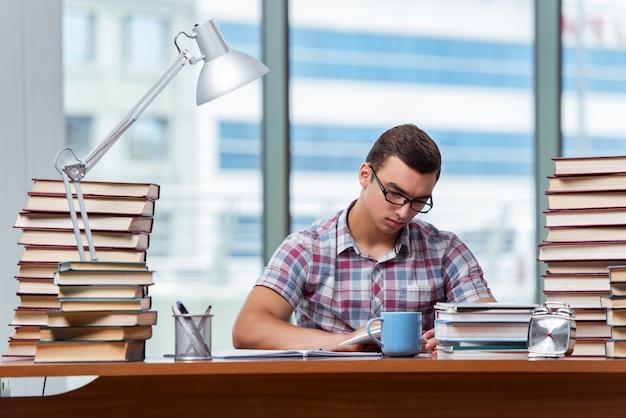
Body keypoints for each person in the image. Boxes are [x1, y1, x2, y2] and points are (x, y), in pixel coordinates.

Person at [232, 123, 496, 352]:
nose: (404, 212)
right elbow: (248, 329)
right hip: (325, 397)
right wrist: (344, 341)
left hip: (419, 398)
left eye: (418, 202)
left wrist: (456, 336)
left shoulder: (445, 249)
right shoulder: (306, 248)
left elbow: (496, 327)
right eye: (394, 193)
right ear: (365, 175)